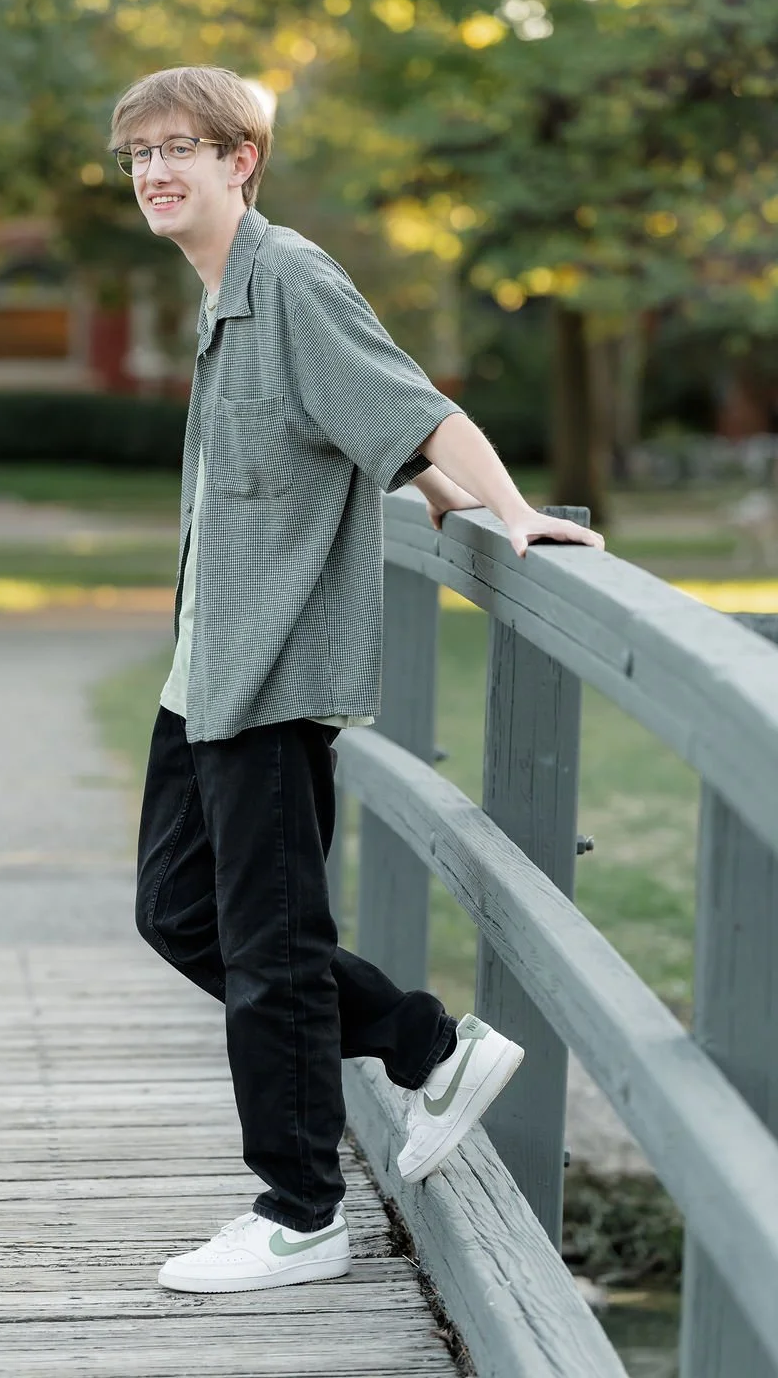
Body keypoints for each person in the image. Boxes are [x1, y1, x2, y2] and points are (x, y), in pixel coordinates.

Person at [112, 65, 604, 1296]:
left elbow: (416, 410)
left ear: (243, 163)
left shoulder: (289, 279)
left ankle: (300, 1212)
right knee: (178, 914)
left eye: (184, 147)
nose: (156, 171)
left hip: (270, 675)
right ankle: (424, 1044)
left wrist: (509, 514)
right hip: (206, 672)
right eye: (137, 155)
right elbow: (370, 434)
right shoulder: (228, 292)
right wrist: (438, 499)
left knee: (273, 950)